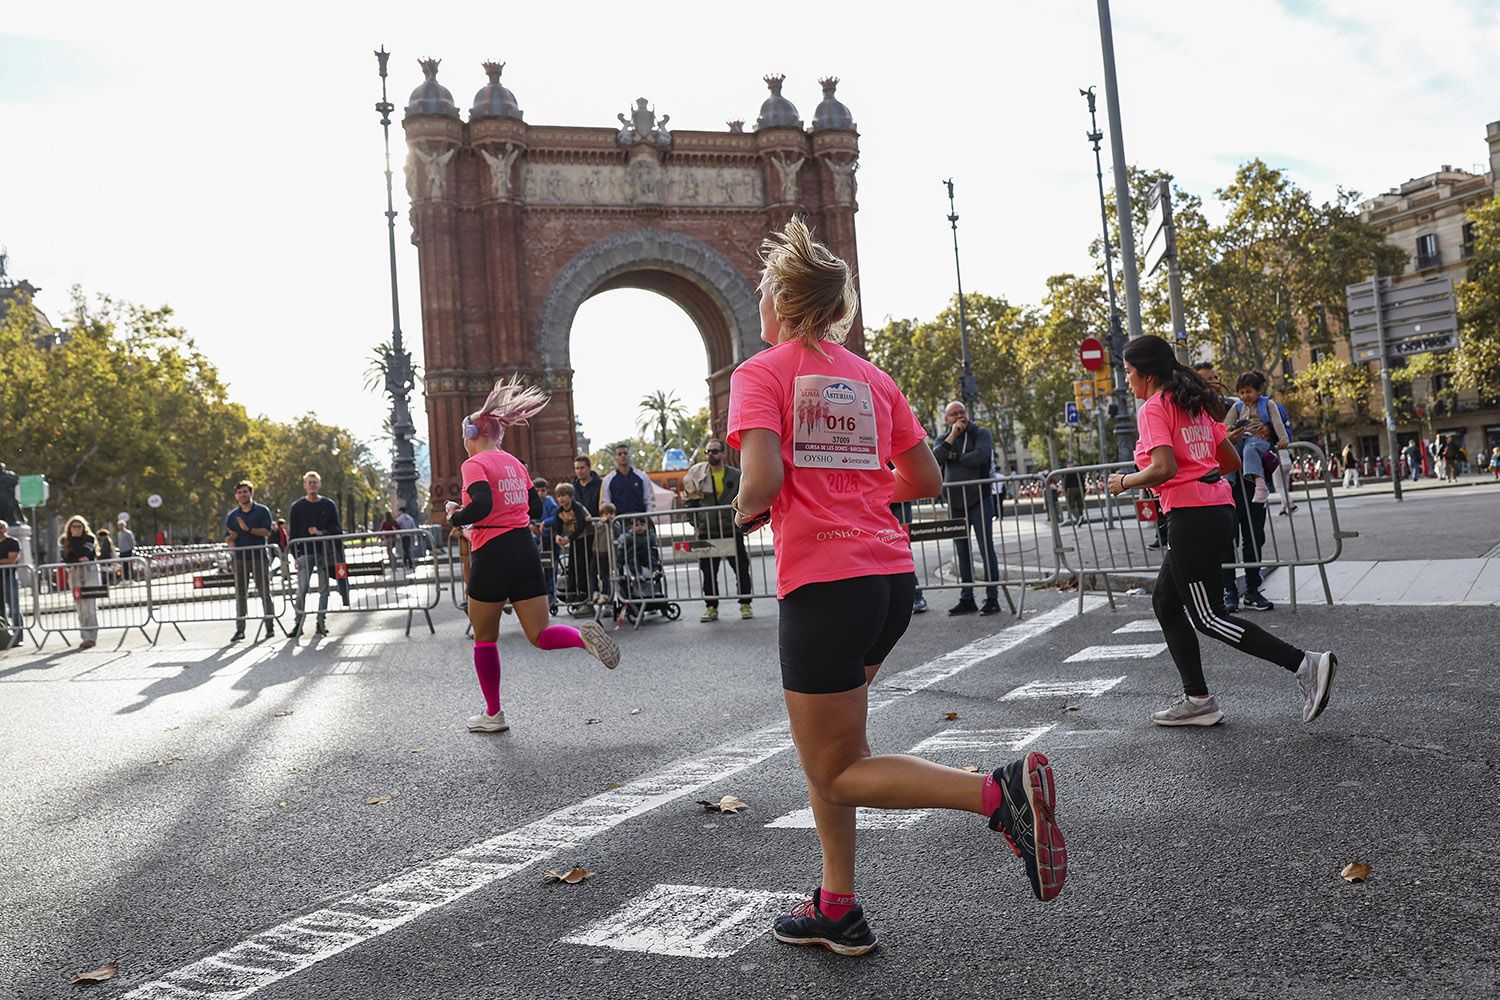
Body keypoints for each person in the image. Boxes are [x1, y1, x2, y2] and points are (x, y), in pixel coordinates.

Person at [729, 218, 1066, 956]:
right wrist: (849, 493)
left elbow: (760, 478)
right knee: (839, 757)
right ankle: (836, 905)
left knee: (838, 768)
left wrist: (748, 507)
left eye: (762, 294)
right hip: (887, 582)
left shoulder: (761, 374)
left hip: (823, 587)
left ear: (782, 303)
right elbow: (923, 478)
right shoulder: (874, 379)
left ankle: (996, 794)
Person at [1106, 335, 1336, 728]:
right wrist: (1197, 477)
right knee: (1165, 601)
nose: (1126, 381)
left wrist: (1124, 481)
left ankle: (1305, 664)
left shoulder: (1154, 408)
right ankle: (1197, 699)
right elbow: (1227, 460)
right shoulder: (1192, 404)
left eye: (1128, 373)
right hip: (1216, 509)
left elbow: (1164, 469)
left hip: (1191, 517)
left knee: (1208, 617)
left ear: (1145, 374)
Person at [444, 376, 620, 734]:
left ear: (473, 434)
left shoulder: (474, 464)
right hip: (524, 549)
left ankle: (493, 714)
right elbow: (537, 507)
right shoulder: (515, 464)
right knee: (540, 633)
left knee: (484, 637)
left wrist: (456, 516)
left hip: (491, 553)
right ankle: (582, 639)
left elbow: (481, 504)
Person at [932, 400, 1002, 616]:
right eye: (953, 414)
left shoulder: (980, 433)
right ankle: (967, 597)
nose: (959, 416)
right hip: (955, 503)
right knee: (962, 552)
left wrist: (956, 457)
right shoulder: (944, 438)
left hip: (979, 499)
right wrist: (952, 437)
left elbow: (979, 457)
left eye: (961, 412)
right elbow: (936, 459)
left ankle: (992, 598)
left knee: (985, 548)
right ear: (947, 419)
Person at [682, 438, 755, 622]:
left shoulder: (736, 475)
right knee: (708, 572)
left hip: (731, 531)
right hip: (707, 533)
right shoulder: (698, 475)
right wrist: (696, 523)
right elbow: (690, 503)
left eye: (714, 451)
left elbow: (745, 498)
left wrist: (741, 522)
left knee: (741, 569)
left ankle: (745, 604)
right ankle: (711, 607)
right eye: (707, 452)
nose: (710, 455)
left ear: (722, 453)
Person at [1223, 372, 1291, 508]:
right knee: (1232, 449)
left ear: (1258, 391)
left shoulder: (1268, 404)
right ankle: (1227, 483)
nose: (1245, 396)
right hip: (1244, 437)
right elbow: (1225, 426)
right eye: (1241, 392)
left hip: (1259, 440)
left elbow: (1277, 422)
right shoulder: (1237, 407)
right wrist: (1228, 430)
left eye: (1249, 391)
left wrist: (1283, 439)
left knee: (1250, 448)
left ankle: (1260, 484)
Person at [288, 471, 342, 637]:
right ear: (304, 485)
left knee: (324, 590)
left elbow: (337, 529)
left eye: (315, 482)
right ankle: (298, 624)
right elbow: (293, 534)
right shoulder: (297, 507)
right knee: (302, 589)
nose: (312, 485)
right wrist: (295, 556)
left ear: (320, 485)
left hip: (325, 552)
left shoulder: (329, 505)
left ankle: (321, 622)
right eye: (309, 482)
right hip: (305, 553)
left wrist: (321, 532)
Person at [224, 480, 277, 643]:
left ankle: (270, 627)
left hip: (258, 557)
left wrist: (248, 529)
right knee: (240, 595)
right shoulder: (232, 515)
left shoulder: (262, 511)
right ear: (236, 496)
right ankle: (240, 630)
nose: (242, 495)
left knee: (264, 593)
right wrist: (230, 538)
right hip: (239, 559)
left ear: (251, 493)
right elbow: (227, 538)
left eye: (245, 491)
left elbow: (267, 532)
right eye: (239, 492)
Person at [544, 482, 591, 608]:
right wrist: (558, 536)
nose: (561, 499)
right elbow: (557, 524)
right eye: (559, 496)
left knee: (581, 564)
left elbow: (581, 524)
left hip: (585, 537)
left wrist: (568, 538)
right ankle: (571, 590)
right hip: (574, 538)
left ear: (570, 496)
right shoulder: (560, 510)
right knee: (572, 564)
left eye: (564, 495)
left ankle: (583, 591)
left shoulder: (576, 507)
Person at [60, 515, 100, 650]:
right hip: (75, 575)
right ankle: (85, 636)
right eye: (74, 526)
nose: (77, 529)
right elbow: (67, 558)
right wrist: (76, 554)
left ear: (84, 528)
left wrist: (77, 554)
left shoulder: (89, 538)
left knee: (90, 606)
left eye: (79, 526)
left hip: (90, 574)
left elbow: (85, 553)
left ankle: (91, 637)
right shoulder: (64, 541)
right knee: (80, 607)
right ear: (69, 528)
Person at [600, 444, 655, 516]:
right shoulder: (608, 480)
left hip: (640, 521)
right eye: (619, 454)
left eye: (625, 453)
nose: (623, 456)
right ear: (615, 458)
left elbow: (649, 500)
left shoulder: (642, 476)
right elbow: (606, 503)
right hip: (619, 521)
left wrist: (648, 518)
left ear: (629, 456)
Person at [0, 520, 24, 648]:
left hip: (9, 578)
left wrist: (5, 561)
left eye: (1, 527)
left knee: (14, 609)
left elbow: (11, 560)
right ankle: (4, 639)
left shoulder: (12, 542)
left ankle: (18, 637)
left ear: (6, 529)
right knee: (0, 611)